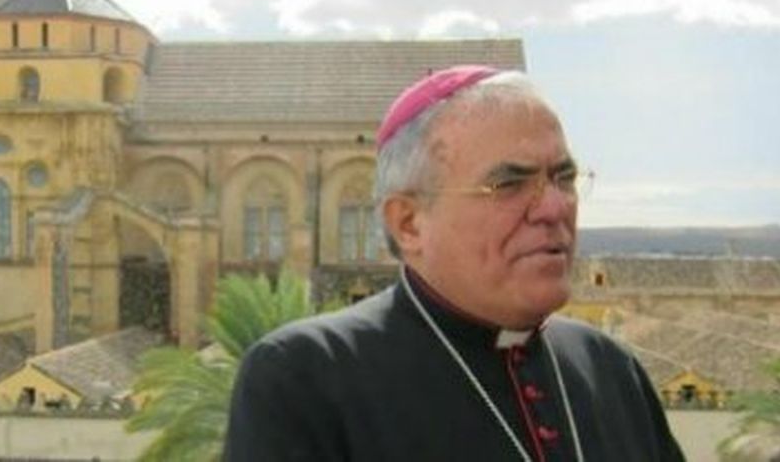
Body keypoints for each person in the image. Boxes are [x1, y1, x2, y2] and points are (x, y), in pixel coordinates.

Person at [224, 66, 684, 461]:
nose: (555, 207)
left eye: (563, 177)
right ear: (409, 224)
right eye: (509, 184)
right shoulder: (303, 377)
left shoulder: (609, 366)